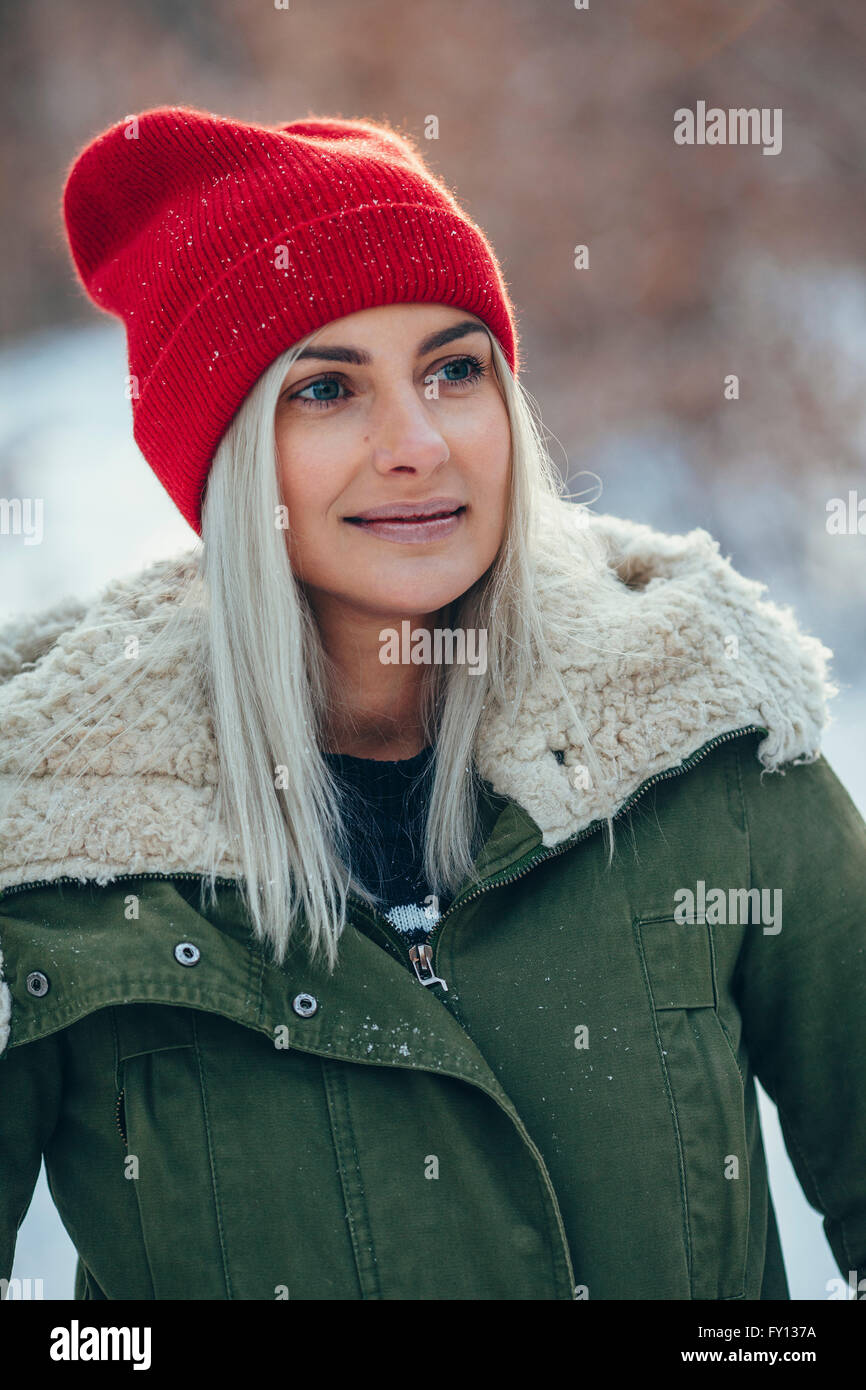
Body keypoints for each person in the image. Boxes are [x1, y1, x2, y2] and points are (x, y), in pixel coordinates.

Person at [0, 104, 864, 1303]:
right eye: (326, 390)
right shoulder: (58, 839)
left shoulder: (700, 738)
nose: (416, 443)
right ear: (229, 459)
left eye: (453, 370)